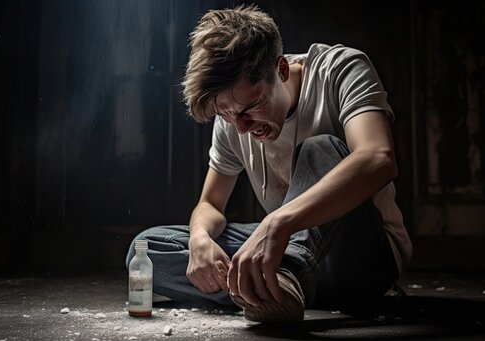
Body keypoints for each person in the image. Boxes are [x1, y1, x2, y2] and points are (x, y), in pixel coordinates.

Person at [126, 4, 412, 323]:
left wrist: (278, 223)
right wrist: (199, 240)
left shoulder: (340, 69)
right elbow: (210, 203)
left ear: (281, 70)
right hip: (292, 260)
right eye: (228, 116)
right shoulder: (234, 118)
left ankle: (277, 279)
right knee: (148, 248)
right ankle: (277, 290)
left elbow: (378, 157)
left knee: (321, 149)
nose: (243, 127)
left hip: (361, 260)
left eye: (252, 107)